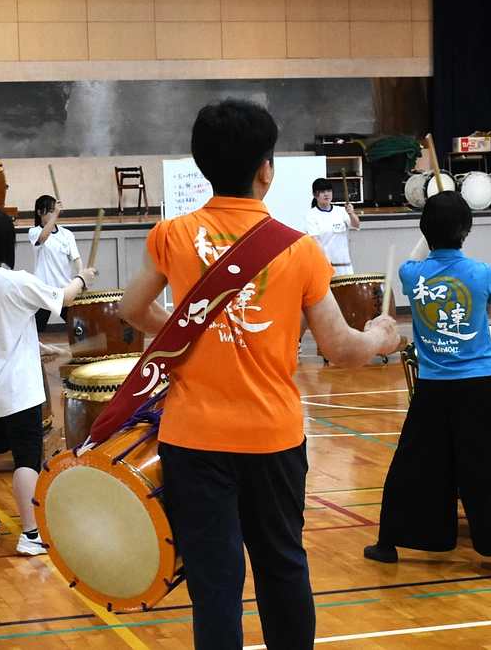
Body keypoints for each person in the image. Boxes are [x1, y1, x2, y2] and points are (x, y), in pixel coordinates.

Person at [118, 99, 402, 650]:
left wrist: (185, 337)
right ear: (265, 170)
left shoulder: (172, 235)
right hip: (271, 437)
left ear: (203, 166)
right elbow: (340, 350)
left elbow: (132, 309)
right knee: (282, 567)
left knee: (215, 585)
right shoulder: (299, 248)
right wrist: (381, 338)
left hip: (192, 438)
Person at [362, 191, 491, 577]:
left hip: (432, 389)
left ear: (424, 230)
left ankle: (388, 543)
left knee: (414, 464)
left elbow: (417, 256)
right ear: (466, 231)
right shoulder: (482, 272)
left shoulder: (410, 274)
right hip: (478, 388)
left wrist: (429, 229)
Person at [0, 206, 95, 555]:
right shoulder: (16, 281)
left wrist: (36, 346)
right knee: (26, 461)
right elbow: (63, 298)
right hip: (19, 393)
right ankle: (32, 535)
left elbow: (0, 327)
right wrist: (83, 279)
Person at [28, 194, 82, 355]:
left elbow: (76, 258)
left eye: (54, 211)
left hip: (65, 291)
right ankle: (33, 358)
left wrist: (81, 275)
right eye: (49, 212)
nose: (53, 215)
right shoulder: (35, 232)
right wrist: (56, 214)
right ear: (39, 213)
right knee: (34, 329)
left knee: (79, 327)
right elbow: (43, 237)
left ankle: (80, 360)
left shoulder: (67, 234)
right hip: (43, 290)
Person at [304, 177, 360, 276]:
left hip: (344, 266)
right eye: (322, 191)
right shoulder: (311, 215)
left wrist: (351, 213)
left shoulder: (341, 211)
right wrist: (326, 257)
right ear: (314, 195)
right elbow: (315, 239)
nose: (326, 194)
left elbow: (356, 224)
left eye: (329, 191)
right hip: (324, 265)